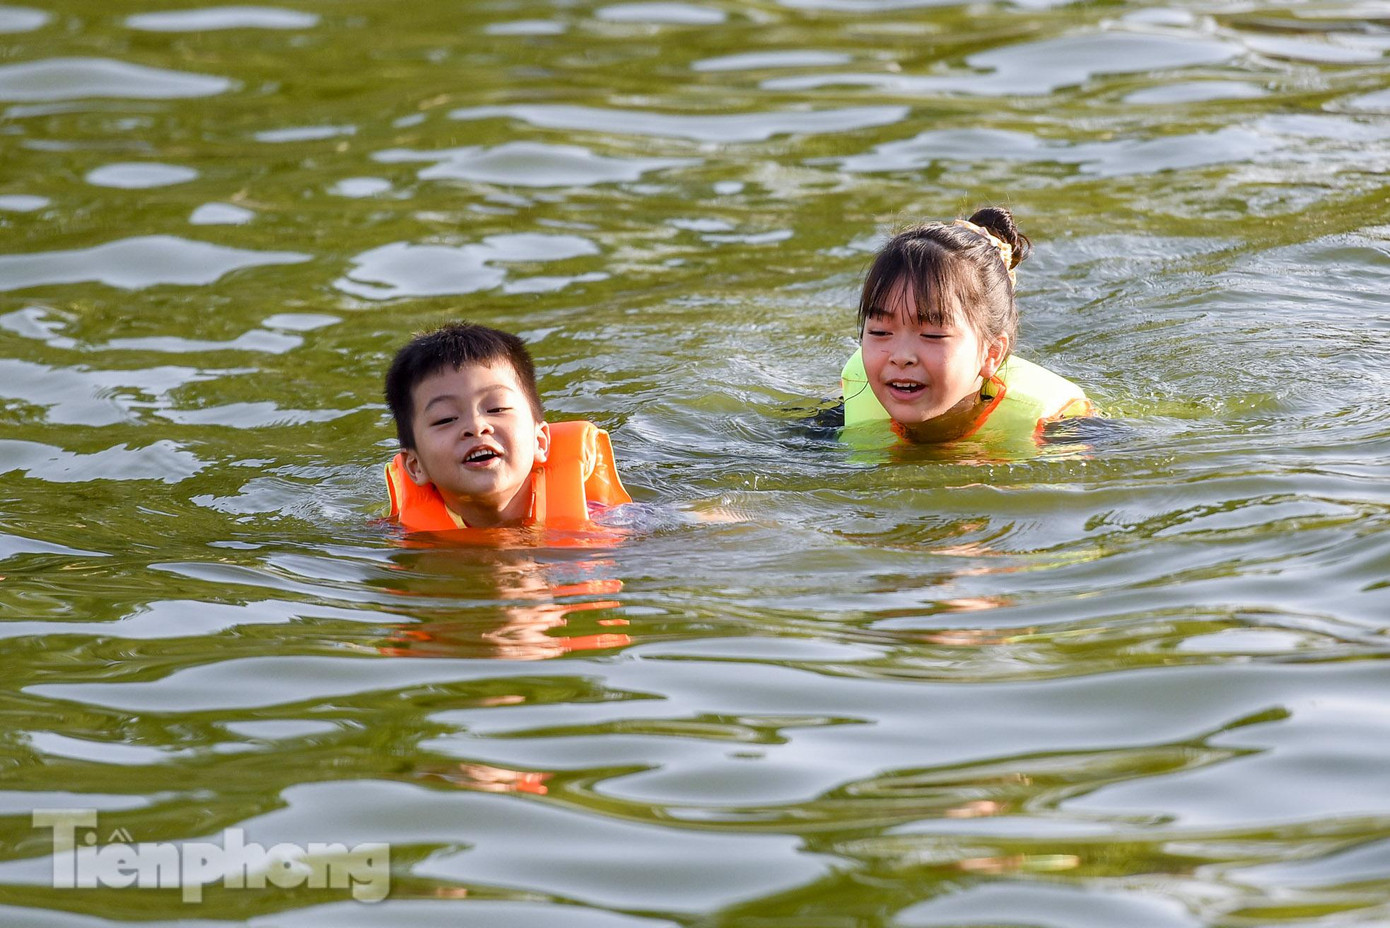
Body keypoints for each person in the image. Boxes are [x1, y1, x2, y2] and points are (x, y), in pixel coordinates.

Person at [840, 207, 1093, 444]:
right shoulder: (856, 393)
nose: (901, 357)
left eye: (932, 335)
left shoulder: (1054, 427)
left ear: (991, 353)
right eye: (880, 332)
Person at [383, 322, 631, 533]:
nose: (477, 427)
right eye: (445, 419)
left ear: (540, 441)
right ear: (415, 466)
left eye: (496, 409)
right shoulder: (401, 538)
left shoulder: (610, 524)